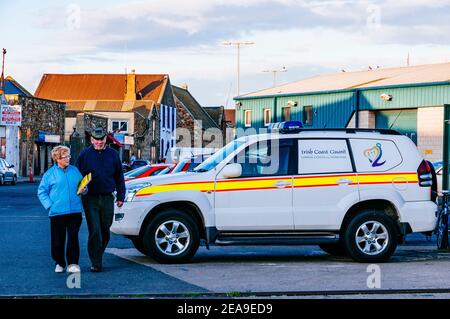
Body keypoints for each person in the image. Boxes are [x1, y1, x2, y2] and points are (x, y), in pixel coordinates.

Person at [75, 127, 126, 272]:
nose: (98, 142)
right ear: (91, 140)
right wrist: (79, 188)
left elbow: (119, 177)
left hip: (107, 197)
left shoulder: (113, 155)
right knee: (95, 230)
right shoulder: (84, 155)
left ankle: (98, 252)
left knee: (105, 229)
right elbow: (77, 175)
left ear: (105, 139)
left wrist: (121, 196)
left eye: (101, 140)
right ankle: (96, 262)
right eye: (95, 140)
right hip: (90, 198)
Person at [37, 145, 86, 273]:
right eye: (64, 157)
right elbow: (41, 192)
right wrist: (49, 205)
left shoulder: (75, 171)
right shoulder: (49, 174)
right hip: (57, 213)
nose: (68, 159)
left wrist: (84, 189)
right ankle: (59, 262)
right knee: (58, 240)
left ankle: (73, 263)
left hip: (75, 211)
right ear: (57, 159)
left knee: (73, 238)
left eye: (68, 156)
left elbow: (83, 185)